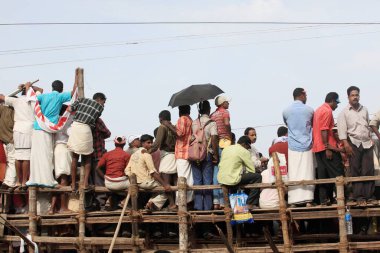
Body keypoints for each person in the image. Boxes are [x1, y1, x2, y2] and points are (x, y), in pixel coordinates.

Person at [27, 80, 76, 188]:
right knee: (46, 156)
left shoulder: (44, 96)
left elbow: (32, 98)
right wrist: (76, 78)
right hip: (47, 129)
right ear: (61, 89)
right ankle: (46, 180)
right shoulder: (59, 96)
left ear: (52, 87)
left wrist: (29, 87)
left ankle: (35, 178)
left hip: (37, 127)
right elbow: (74, 93)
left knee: (37, 156)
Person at [0, 83, 43, 190]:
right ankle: (24, 182)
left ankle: (18, 182)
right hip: (28, 130)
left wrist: (20, 89)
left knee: (18, 157)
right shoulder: (34, 99)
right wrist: (30, 86)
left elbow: (1, 96)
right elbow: (41, 90)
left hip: (17, 130)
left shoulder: (16, 101)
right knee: (26, 157)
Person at [337, 86, 375, 205]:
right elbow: (342, 131)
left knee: (368, 170)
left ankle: (370, 197)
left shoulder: (364, 110)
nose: (355, 97)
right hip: (353, 143)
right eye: (353, 95)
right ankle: (360, 198)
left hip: (367, 143)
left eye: (357, 95)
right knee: (356, 170)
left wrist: (370, 138)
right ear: (348, 97)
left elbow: (367, 126)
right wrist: (346, 144)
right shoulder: (344, 112)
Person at [283, 87, 315, 207]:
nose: (306, 97)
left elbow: (287, 123)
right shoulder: (310, 110)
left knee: (294, 172)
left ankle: (293, 201)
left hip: (292, 145)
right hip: (307, 144)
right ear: (302, 95)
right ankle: (308, 200)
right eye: (305, 95)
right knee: (307, 172)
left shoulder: (285, 111)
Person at [67, 92, 106, 191]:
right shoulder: (100, 108)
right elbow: (94, 120)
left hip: (75, 127)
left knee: (75, 157)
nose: (103, 104)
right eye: (103, 102)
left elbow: (69, 109)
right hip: (85, 129)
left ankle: (72, 183)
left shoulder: (81, 99)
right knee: (87, 158)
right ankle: (85, 184)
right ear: (100, 100)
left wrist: (79, 113)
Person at [312, 92, 344, 206]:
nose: (337, 105)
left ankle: (324, 200)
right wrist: (328, 147)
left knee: (323, 175)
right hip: (326, 146)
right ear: (332, 100)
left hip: (317, 147)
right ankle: (341, 199)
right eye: (336, 102)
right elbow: (324, 129)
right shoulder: (327, 110)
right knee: (338, 173)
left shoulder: (318, 110)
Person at [125, 134, 171, 211]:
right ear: (142, 143)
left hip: (136, 183)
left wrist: (134, 181)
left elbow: (127, 170)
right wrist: (165, 185)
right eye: (148, 142)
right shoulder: (146, 154)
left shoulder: (134, 155)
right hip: (146, 182)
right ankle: (153, 203)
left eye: (151, 142)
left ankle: (150, 204)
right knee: (166, 191)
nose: (151, 144)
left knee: (156, 191)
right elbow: (152, 172)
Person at [217, 136, 262, 209]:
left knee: (242, 178)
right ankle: (250, 203)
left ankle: (237, 205)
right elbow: (251, 170)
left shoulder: (226, 148)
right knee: (257, 177)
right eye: (248, 147)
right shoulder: (244, 151)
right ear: (244, 144)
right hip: (232, 178)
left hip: (221, 178)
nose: (248, 149)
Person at [165, 105, 194, 204]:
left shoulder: (182, 118)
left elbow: (180, 133)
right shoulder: (191, 120)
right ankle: (189, 200)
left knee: (181, 178)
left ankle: (181, 202)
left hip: (182, 152)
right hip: (188, 152)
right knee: (188, 178)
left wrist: (168, 125)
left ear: (180, 110)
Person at [149, 110, 177, 210]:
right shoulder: (173, 127)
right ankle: (176, 203)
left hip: (166, 156)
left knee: (166, 183)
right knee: (174, 182)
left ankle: (172, 204)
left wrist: (148, 152)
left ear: (161, 118)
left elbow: (157, 144)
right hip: (175, 155)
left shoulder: (162, 127)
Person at [50, 105, 73, 214]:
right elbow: (72, 134)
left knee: (57, 180)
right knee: (64, 178)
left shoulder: (55, 121)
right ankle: (63, 207)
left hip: (56, 150)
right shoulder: (65, 122)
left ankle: (52, 208)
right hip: (63, 149)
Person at [96, 136, 130, 210]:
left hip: (108, 183)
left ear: (114, 143)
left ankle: (112, 201)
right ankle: (125, 202)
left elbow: (97, 168)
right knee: (135, 185)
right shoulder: (126, 155)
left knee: (116, 188)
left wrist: (104, 177)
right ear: (124, 144)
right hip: (121, 183)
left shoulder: (107, 154)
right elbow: (128, 171)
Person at [211, 96, 231, 209]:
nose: (228, 103)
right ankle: (223, 202)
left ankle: (216, 201)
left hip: (215, 143)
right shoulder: (225, 112)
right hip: (224, 142)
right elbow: (227, 124)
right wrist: (228, 134)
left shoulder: (212, 115)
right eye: (227, 101)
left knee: (216, 170)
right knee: (224, 169)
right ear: (222, 103)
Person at [91, 117, 111, 209]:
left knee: (91, 181)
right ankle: (101, 204)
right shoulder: (97, 120)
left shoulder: (81, 119)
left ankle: (96, 203)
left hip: (88, 157)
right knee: (99, 181)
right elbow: (108, 133)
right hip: (98, 154)